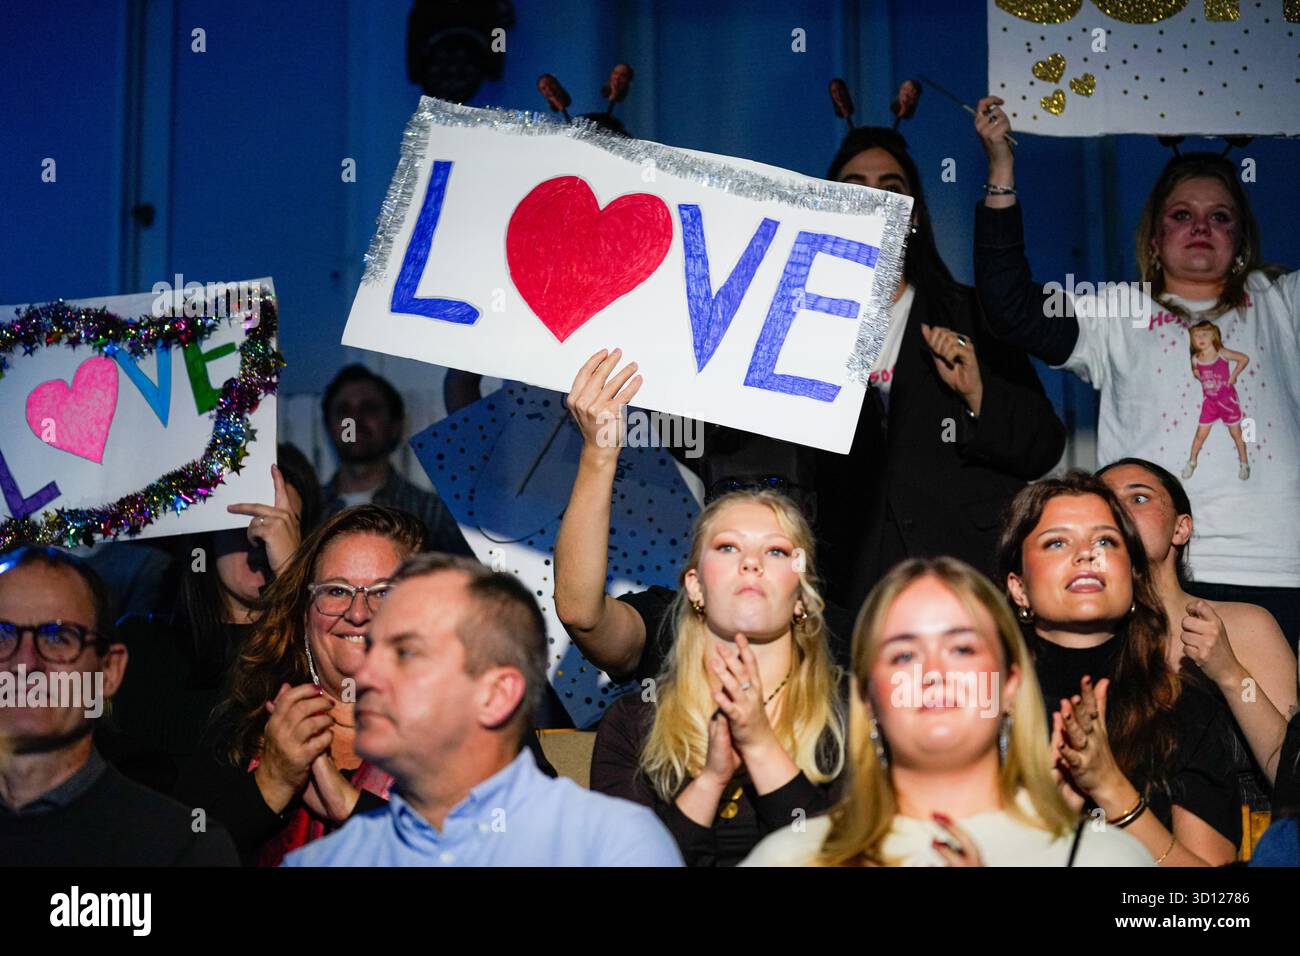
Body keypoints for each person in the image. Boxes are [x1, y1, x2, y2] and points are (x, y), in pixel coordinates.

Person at [973, 98, 1300, 653]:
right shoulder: (1117, 312)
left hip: (1279, 572)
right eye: (1181, 215)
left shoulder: (1283, 302)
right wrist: (1001, 165)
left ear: (1241, 240)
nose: (1201, 226)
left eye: (1220, 217)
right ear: (1153, 238)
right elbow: (1010, 305)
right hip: (1153, 575)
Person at [741, 557, 1152, 866]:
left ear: (1009, 685)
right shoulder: (792, 856)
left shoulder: (1105, 858)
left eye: (962, 649)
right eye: (904, 654)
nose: (933, 673)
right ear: (869, 698)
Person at [283, 553, 682, 866]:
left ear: (496, 694)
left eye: (407, 653)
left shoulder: (608, 843)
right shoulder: (323, 859)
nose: (369, 675)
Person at [815, 124, 1066, 611]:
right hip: (845, 587)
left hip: (965, 576)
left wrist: (977, 394)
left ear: (913, 214)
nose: (877, 201)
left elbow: (1043, 445)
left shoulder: (969, 314)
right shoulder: (794, 324)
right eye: (855, 188)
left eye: (892, 188)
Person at [554, 350, 856, 694]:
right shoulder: (670, 628)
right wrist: (599, 452)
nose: (751, 502)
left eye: (773, 485)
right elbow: (582, 615)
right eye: (731, 488)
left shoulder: (856, 644)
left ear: (808, 507)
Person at [586, 475, 846, 866]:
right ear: (695, 586)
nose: (751, 563)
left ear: (801, 596)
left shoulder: (849, 713)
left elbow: (845, 858)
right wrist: (709, 782)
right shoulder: (634, 723)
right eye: (728, 547)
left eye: (776, 551)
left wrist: (760, 746)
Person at [998, 472, 1242, 865]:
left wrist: (1111, 788)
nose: (1086, 555)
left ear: (1132, 576)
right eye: (1057, 542)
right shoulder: (979, 706)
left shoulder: (1185, 710)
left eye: (1105, 541)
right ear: (1019, 588)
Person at [174, 505, 426, 865]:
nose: (357, 614)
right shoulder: (249, 719)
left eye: (382, 593)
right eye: (337, 591)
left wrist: (351, 806)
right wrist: (272, 784)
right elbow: (178, 854)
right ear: (304, 612)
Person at [0, 546, 237, 865]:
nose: (25, 663)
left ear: (108, 672)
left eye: (58, 637)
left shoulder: (180, 849)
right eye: (3, 634)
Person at [106, 451, 319, 792]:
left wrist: (293, 577)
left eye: (281, 526)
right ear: (209, 533)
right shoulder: (140, 643)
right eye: (247, 520)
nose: (260, 541)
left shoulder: (307, 652)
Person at [1098, 457, 1297, 784]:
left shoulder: (1245, 624)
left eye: (1139, 498)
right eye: (1104, 502)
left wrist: (1230, 673)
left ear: (1181, 528)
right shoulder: (1081, 633)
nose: (1117, 511)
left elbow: (1289, 774)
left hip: (1240, 829)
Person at [320, 364, 473, 558]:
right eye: (344, 410)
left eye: (370, 408)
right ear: (328, 425)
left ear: (395, 425)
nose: (354, 420)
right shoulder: (308, 509)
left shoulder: (433, 513)